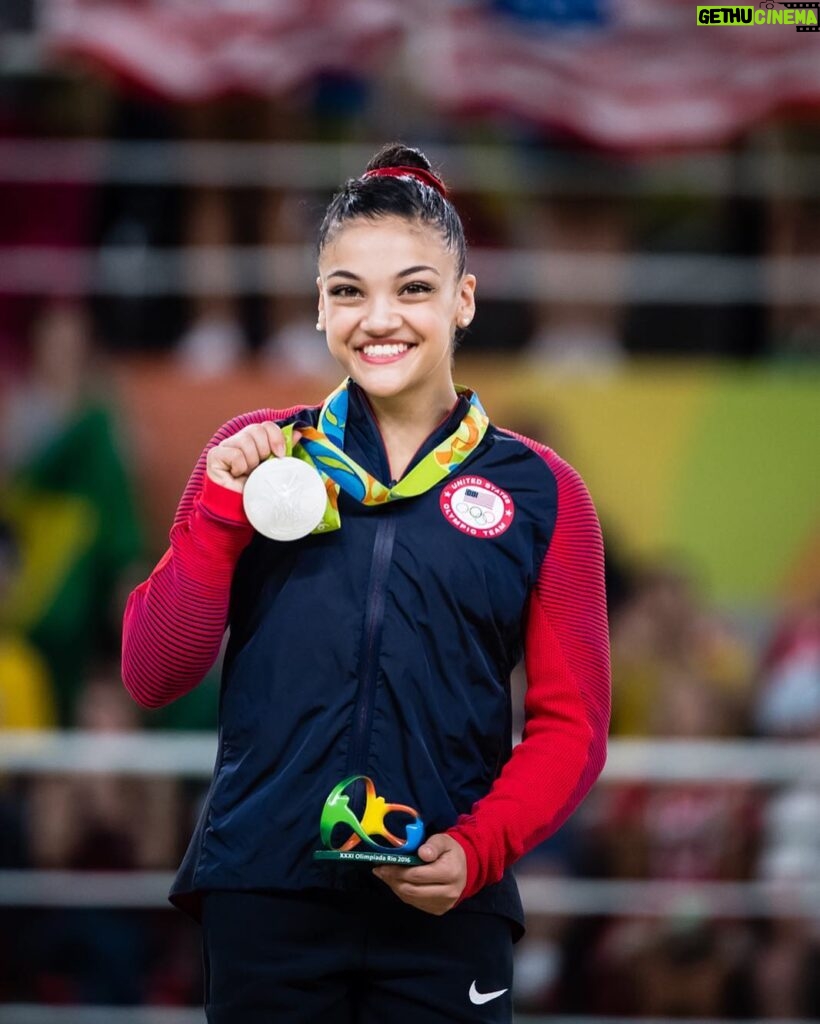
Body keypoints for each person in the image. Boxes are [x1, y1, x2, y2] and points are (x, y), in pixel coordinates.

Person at [121, 143, 611, 1024]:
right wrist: (219, 519)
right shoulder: (256, 458)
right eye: (348, 290)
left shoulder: (544, 493)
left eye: (414, 288)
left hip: (444, 899)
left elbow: (572, 725)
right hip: (267, 891)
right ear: (318, 306)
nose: (379, 318)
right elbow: (153, 673)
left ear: (464, 299)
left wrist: (478, 849)